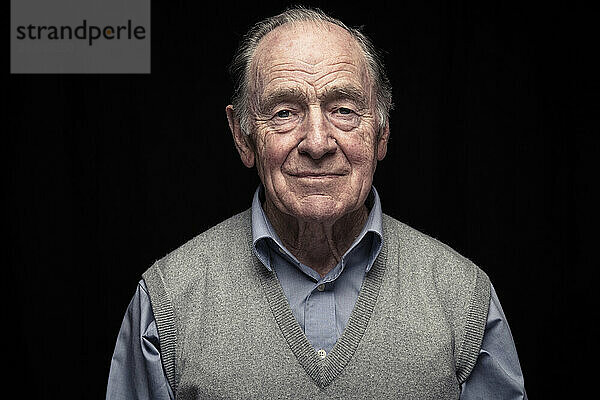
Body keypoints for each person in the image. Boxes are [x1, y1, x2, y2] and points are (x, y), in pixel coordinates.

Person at [107, 6, 527, 399]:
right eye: (285, 112)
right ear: (243, 136)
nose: (318, 143)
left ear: (381, 134)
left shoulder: (463, 296)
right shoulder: (167, 302)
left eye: (343, 110)